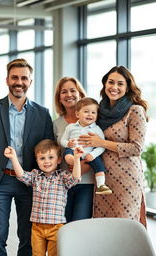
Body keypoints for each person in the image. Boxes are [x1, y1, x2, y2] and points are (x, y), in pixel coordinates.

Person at [0, 58, 54, 256]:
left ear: (30, 82)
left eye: (24, 78)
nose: (19, 82)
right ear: (7, 80)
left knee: (28, 237)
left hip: (29, 183)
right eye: (15, 77)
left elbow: (49, 151)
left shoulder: (43, 114)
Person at [78, 66, 148, 227]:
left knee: (125, 227)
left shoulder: (135, 111)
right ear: (104, 84)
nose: (114, 87)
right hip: (103, 178)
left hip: (127, 180)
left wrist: (101, 143)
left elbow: (136, 148)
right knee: (104, 227)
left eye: (120, 84)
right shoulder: (99, 110)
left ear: (128, 87)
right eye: (111, 82)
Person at [4, 139, 83, 256]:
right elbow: (21, 175)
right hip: (37, 228)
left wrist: (76, 159)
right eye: (42, 158)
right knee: (37, 254)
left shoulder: (62, 177)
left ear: (59, 159)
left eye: (51, 157)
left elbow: (75, 178)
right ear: (37, 161)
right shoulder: (35, 175)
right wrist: (13, 158)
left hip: (56, 227)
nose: (46, 161)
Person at [53, 77, 94, 222]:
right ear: (59, 98)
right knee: (64, 225)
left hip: (86, 182)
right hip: (63, 184)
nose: (68, 95)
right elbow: (53, 153)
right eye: (64, 92)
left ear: (81, 94)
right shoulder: (56, 124)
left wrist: (84, 167)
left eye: (72, 90)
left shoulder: (92, 120)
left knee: (79, 223)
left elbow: (99, 147)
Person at [60, 97, 112, 195]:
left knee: (99, 165)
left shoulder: (97, 129)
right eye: (86, 111)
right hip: (74, 151)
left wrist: (93, 155)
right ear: (77, 114)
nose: (90, 115)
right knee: (67, 152)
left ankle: (101, 185)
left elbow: (102, 146)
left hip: (88, 153)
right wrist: (68, 143)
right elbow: (62, 140)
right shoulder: (71, 127)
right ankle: (73, 162)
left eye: (93, 112)